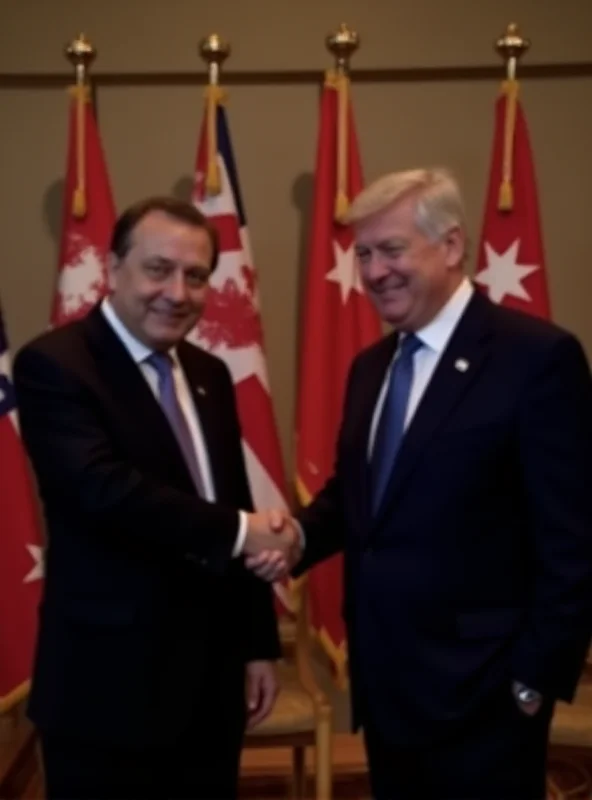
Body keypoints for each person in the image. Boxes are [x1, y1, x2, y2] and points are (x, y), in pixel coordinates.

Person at [249, 169, 592, 799]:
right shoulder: (371, 368)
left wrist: (532, 683)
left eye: (392, 250)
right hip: (387, 685)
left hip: (488, 695)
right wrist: (296, 534)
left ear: (453, 246)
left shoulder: (536, 359)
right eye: (364, 255)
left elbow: (574, 541)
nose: (375, 272)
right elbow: (359, 501)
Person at [13, 196, 299, 800]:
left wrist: (255, 645)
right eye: (158, 269)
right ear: (113, 269)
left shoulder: (208, 373)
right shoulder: (55, 364)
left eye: (196, 276)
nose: (177, 291)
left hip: (211, 685)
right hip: (107, 691)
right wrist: (248, 532)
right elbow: (103, 489)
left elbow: (231, 497)